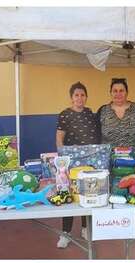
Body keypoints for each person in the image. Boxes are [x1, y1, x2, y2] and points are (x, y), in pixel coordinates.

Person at [99, 78, 135, 237]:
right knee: (114, 191)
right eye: (115, 91)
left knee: (134, 190)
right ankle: (114, 225)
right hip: (111, 161)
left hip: (133, 160)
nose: (118, 94)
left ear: (127, 92)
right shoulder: (103, 111)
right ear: (110, 93)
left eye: (121, 90)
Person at [55, 82, 100, 249]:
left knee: (86, 194)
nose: (79, 98)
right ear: (71, 98)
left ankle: (85, 228)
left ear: (86, 97)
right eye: (76, 95)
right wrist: (62, 162)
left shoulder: (90, 114)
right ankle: (65, 233)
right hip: (70, 163)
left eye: (82, 95)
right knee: (69, 196)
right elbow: (59, 138)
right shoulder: (65, 115)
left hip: (88, 163)